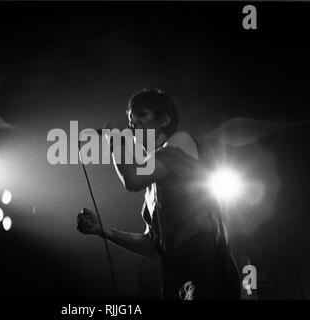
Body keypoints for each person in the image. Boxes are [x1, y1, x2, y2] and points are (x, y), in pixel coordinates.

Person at [76, 88, 241, 300]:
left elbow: (132, 179)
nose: (133, 125)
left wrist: (116, 142)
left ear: (164, 120)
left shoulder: (180, 140)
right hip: (176, 279)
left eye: (142, 116)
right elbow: (152, 247)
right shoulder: (152, 189)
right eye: (131, 121)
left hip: (204, 269)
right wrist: (103, 231)